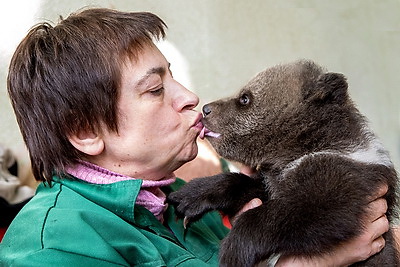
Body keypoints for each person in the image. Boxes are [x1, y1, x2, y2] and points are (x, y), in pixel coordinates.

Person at [0, 7, 391, 266]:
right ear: (84, 132)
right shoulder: (52, 246)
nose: (190, 97)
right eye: (156, 90)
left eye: (173, 76)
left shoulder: (176, 205)